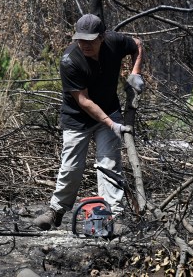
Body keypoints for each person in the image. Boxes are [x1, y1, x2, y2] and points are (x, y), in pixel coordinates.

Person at [35, 13, 144, 231]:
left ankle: (113, 216)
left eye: (90, 40)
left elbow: (138, 45)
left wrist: (135, 74)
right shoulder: (70, 60)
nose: (84, 44)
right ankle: (56, 210)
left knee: (109, 163)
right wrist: (111, 124)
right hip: (77, 118)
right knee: (71, 166)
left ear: (102, 37)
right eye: (80, 39)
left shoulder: (115, 42)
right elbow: (83, 101)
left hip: (109, 109)